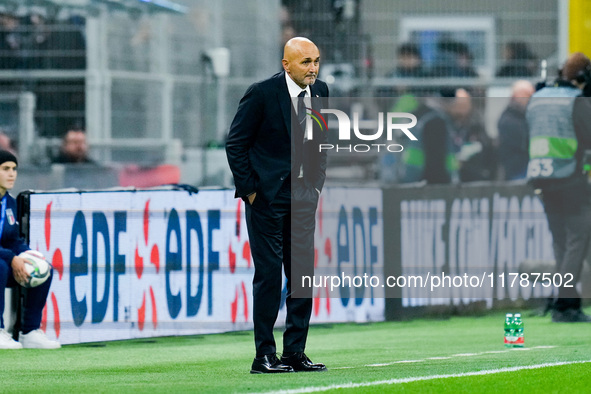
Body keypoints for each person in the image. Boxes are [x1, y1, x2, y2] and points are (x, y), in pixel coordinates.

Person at [225, 37, 328, 373]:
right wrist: (252, 192)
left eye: (315, 61)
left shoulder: (322, 91)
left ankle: (294, 353)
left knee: (301, 277)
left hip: (302, 198)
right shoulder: (262, 93)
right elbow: (236, 144)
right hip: (268, 200)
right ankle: (263, 355)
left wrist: (315, 187)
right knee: (269, 276)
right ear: (286, 64)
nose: (312, 68)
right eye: (305, 62)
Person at [525, 52, 591, 323]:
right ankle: (565, 303)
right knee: (579, 237)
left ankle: (566, 302)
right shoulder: (575, 102)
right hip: (570, 177)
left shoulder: (536, 99)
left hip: (541, 177)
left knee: (560, 240)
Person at [0, 150, 61, 349]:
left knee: (43, 268)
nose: (12, 174)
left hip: (5, 260)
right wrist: (11, 258)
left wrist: (28, 254)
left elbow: (13, 239)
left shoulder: (9, 202)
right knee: (0, 267)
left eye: (14, 169)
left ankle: (30, 332)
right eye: (5, 169)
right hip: (2, 263)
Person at [497, 80, 535, 180]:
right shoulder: (508, 119)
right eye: (527, 95)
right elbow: (524, 142)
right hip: (517, 169)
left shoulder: (527, 116)